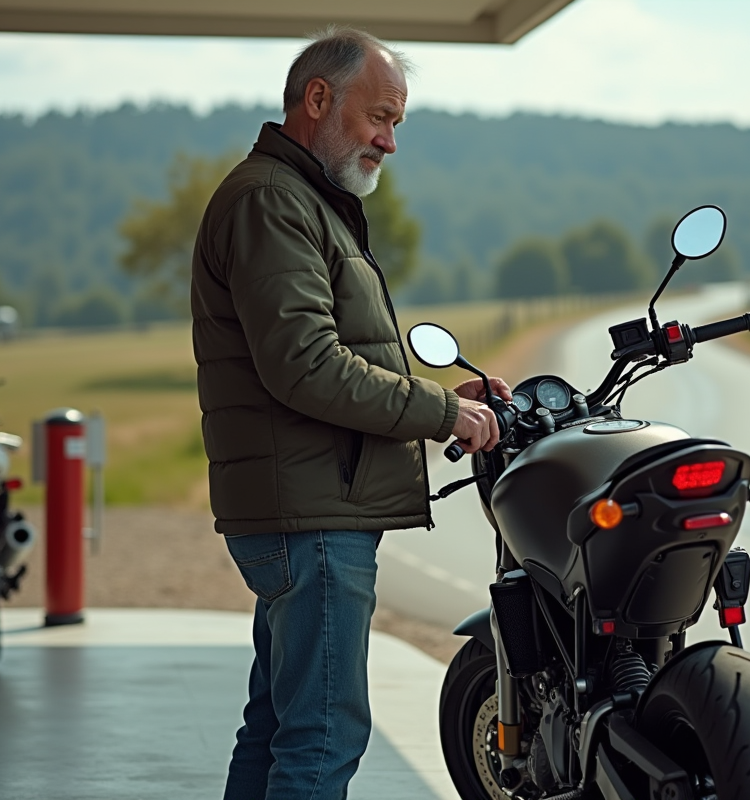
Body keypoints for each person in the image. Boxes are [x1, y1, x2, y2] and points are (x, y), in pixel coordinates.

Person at [191, 25, 512, 800]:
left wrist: (447, 397)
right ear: (318, 99)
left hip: (304, 511)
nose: (390, 141)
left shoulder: (300, 198)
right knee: (322, 738)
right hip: (313, 520)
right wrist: (438, 413)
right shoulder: (273, 199)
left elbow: (329, 351)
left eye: (397, 123)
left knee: (276, 729)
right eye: (381, 118)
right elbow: (305, 365)